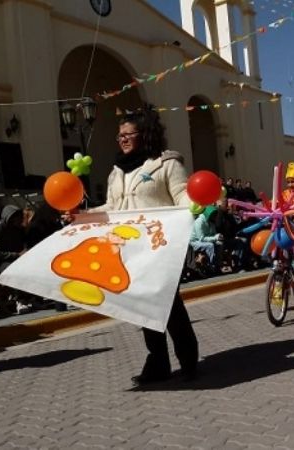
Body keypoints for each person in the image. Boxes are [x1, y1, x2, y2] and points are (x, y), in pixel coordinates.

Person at [88, 108, 198, 385]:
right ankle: (158, 363)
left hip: (160, 246)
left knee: (168, 305)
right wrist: (82, 215)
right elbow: (113, 207)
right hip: (128, 247)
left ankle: (187, 361)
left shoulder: (167, 163)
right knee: (143, 306)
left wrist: (197, 202)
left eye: (128, 134)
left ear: (145, 134)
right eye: (120, 135)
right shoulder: (117, 171)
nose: (122, 140)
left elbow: (182, 195)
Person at [190, 205, 223, 275]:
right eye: (214, 215)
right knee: (210, 245)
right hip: (195, 241)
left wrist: (218, 236)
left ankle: (217, 266)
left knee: (219, 244)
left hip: (205, 240)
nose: (215, 216)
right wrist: (214, 238)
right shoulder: (199, 222)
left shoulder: (211, 222)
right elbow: (201, 238)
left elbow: (213, 234)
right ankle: (210, 267)